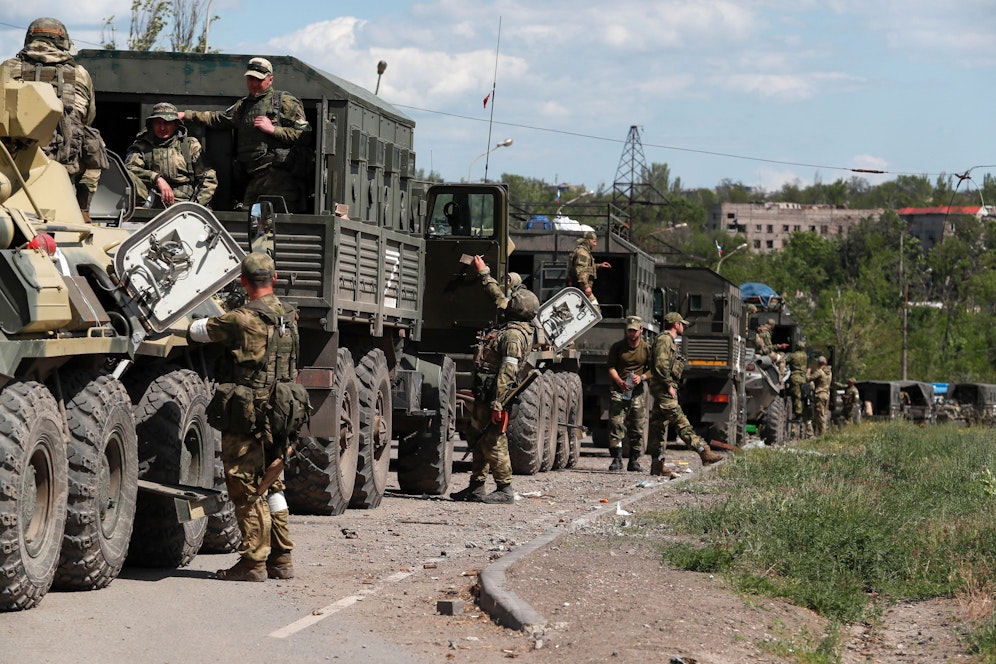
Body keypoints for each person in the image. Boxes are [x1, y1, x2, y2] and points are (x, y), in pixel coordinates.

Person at [187, 252, 299, 582]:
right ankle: (282, 557)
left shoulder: (240, 318)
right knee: (274, 483)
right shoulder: (290, 316)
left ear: (243, 282)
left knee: (245, 485)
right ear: (274, 279)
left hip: (250, 411)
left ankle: (253, 562)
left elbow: (197, 331)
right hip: (283, 407)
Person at [450, 256, 538, 504]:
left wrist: (498, 403)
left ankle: (504, 488)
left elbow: (507, 373)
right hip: (485, 391)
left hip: (495, 396)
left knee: (493, 441)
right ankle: (476, 486)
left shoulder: (512, 336)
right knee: (477, 438)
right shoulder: (514, 323)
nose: (507, 303)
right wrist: (485, 273)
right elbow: (497, 297)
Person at [5, 17, 107, 220]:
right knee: (94, 144)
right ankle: (82, 210)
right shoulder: (80, 74)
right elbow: (88, 118)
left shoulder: (8, 67)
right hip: (63, 162)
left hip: (12, 162)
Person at [180, 57, 312, 212]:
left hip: (278, 177)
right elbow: (219, 118)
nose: (254, 84)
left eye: (259, 79)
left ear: (270, 80)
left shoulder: (285, 102)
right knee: (250, 224)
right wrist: (186, 115)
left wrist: (272, 129)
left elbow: (304, 134)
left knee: (274, 226)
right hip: (253, 177)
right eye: (250, 79)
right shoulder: (244, 105)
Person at [646, 312, 723, 478]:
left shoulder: (668, 340)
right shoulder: (665, 340)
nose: (683, 327)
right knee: (681, 422)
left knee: (657, 428)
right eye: (682, 324)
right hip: (664, 390)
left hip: (662, 390)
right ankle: (704, 452)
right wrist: (668, 385)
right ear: (676, 324)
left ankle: (656, 465)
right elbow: (660, 365)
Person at [125, 102, 218, 207]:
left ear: (176, 125)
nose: (162, 128)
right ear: (152, 124)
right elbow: (129, 169)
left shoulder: (189, 145)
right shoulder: (141, 146)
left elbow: (208, 178)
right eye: (158, 123)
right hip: (151, 204)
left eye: (167, 123)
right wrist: (157, 179)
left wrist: (194, 206)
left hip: (185, 206)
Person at [605, 315, 652, 472]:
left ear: (641, 330)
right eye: (629, 331)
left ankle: (634, 460)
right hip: (620, 390)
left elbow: (653, 369)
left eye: (634, 331)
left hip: (637, 392)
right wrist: (619, 381)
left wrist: (642, 377)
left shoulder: (646, 349)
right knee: (616, 423)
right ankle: (617, 458)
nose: (632, 334)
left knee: (637, 426)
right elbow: (611, 367)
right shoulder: (618, 347)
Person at [569, 230, 611, 312]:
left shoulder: (586, 252)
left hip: (583, 288)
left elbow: (587, 268)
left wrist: (599, 265)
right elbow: (580, 270)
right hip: (582, 288)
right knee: (595, 310)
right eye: (594, 241)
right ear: (588, 241)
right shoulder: (582, 253)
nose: (595, 244)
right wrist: (586, 287)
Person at [785, 339, 808, 422]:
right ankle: (803, 413)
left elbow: (784, 361)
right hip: (803, 378)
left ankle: (798, 414)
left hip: (795, 377)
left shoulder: (793, 355)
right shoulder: (805, 355)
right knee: (802, 396)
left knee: (796, 397)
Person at [810, 356, 832, 436]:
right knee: (824, 415)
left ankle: (822, 435)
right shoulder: (829, 372)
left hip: (820, 395)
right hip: (826, 394)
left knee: (820, 416)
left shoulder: (819, 371)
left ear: (818, 363)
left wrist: (808, 372)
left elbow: (809, 378)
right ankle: (823, 433)